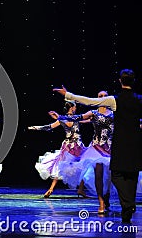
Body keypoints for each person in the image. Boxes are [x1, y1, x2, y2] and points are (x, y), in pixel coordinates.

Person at [53, 68, 142, 223]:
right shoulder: (139, 99)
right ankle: (125, 203)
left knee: (117, 174)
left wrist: (68, 95)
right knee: (129, 175)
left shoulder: (114, 100)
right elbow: (87, 110)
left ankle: (126, 204)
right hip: (131, 143)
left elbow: (88, 100)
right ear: (134, 81)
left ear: (120, 81)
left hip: (117, 143)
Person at [50, 91, 114, 214]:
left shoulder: (114, 114)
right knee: (99, 174)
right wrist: (60, 117)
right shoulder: (93, 113)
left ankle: (106, 197)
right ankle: (101, 202)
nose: (102, 98)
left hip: (110, 148)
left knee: (110, 176)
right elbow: (78, 118)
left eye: (104, 96)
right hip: (96, 148)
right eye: (100, 96)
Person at [28, 100, 88, 198]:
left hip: (76, 145)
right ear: (72, 107)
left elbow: (49, 127)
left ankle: (80, 189)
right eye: (75, 107)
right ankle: (52, 189)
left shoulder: (68, 118)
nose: (76, 108)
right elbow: (49, 127)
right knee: (63, 166)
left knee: (80, 165)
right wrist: (37, 127)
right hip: (71, 146)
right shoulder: (68, 119)